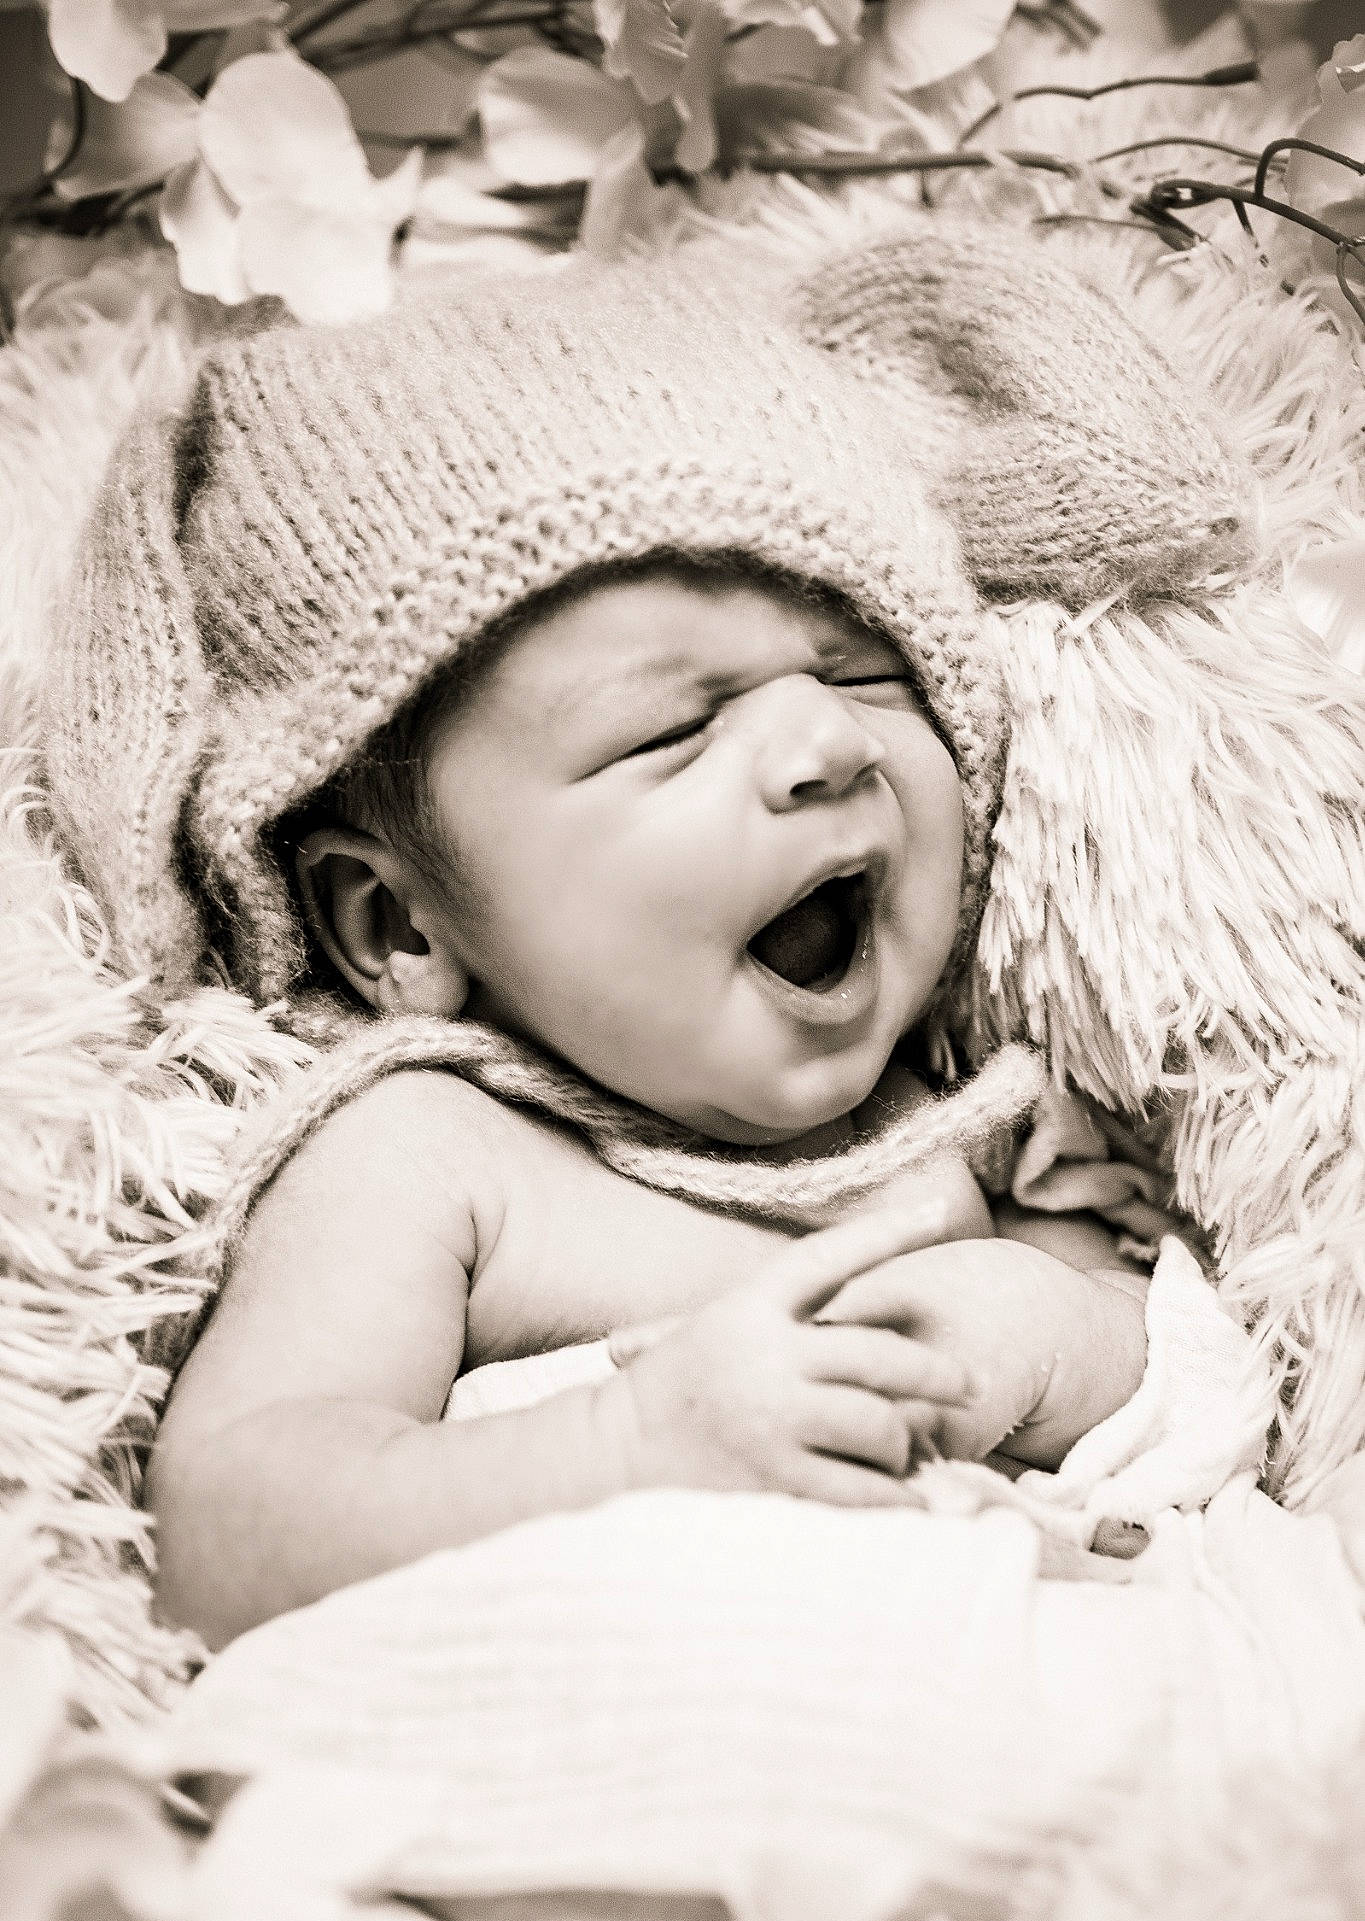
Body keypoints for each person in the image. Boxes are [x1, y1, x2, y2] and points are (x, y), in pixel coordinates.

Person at [45, 226, 1247, 1650]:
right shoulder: (430, 1158)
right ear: (394, 924)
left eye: (861, 668)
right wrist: (621, 1445)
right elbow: (224, 1534)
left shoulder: (974, 1124)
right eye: (672, 729)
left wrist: (1041, 1333)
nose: (822, 742)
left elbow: (1220, 1406)